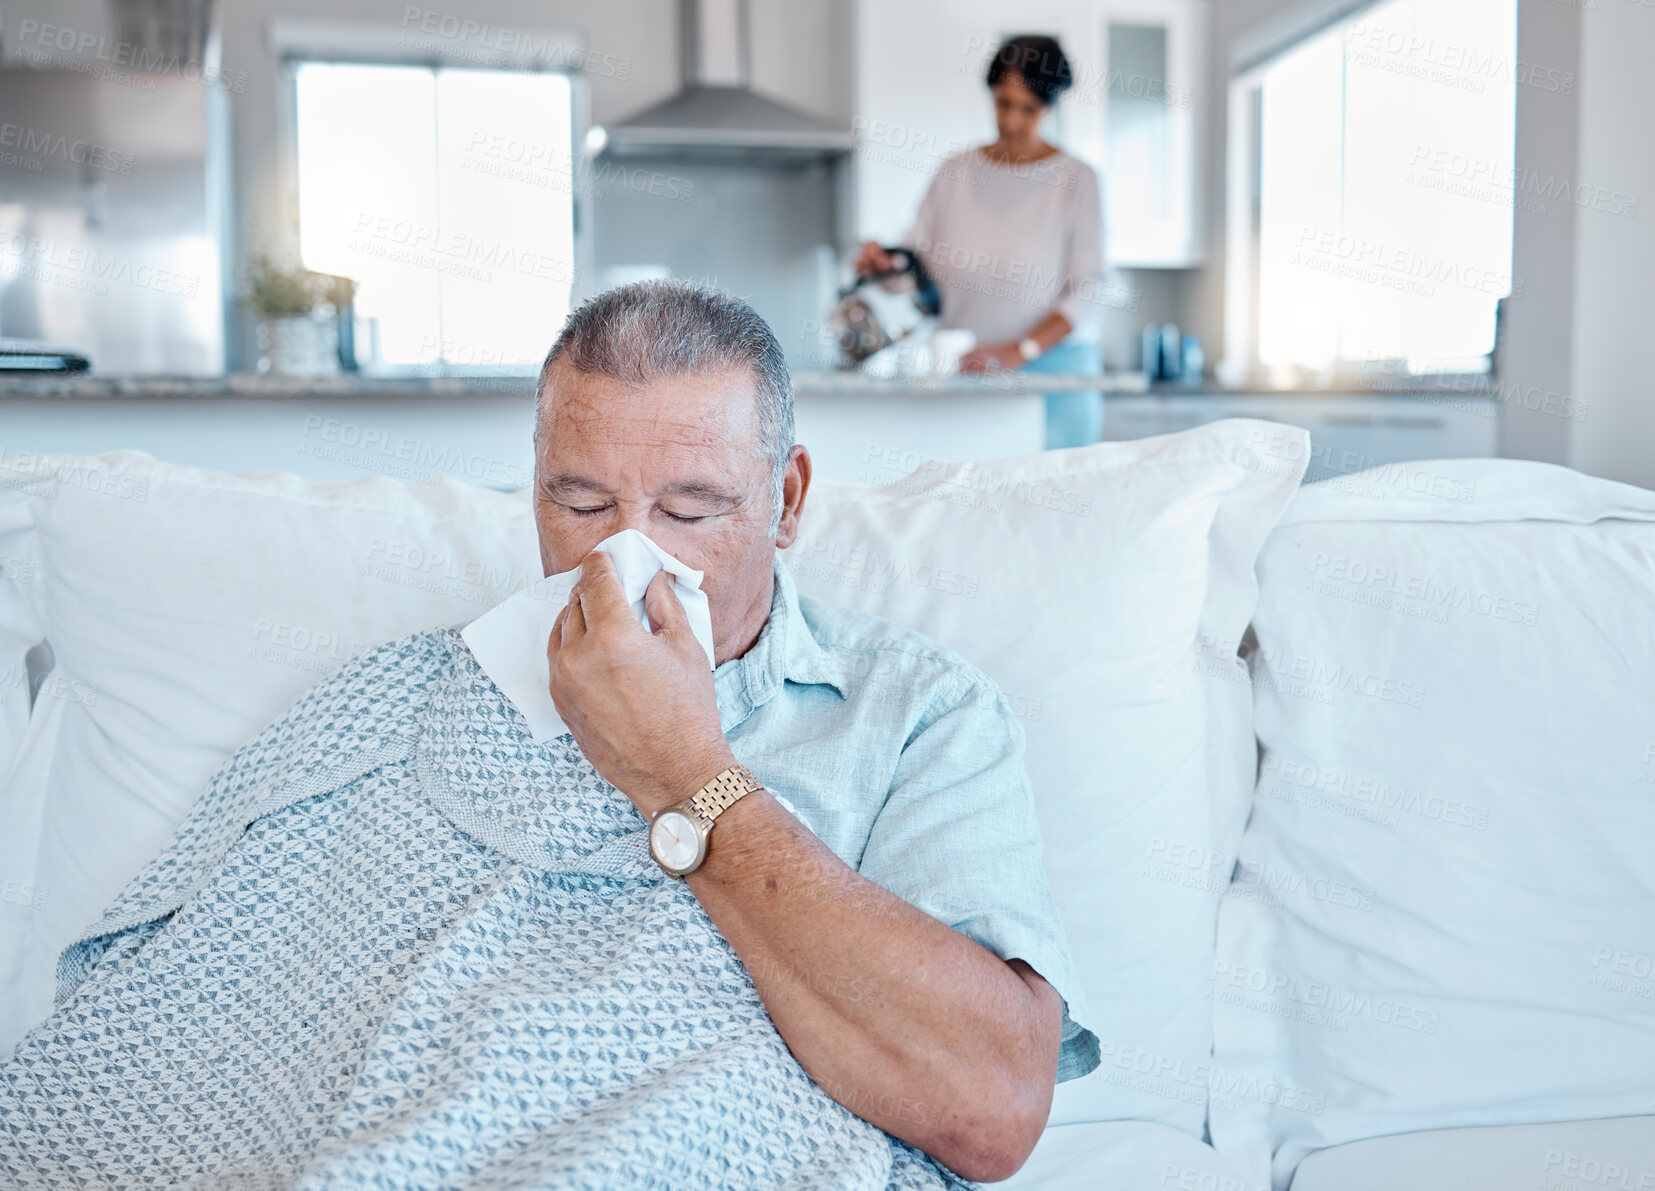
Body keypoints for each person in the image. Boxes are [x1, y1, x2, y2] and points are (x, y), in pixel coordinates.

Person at [0, 280, 1099, 1189]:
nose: (624, 561)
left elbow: (990, 1108)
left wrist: (684, 774)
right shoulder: (402, 696)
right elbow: (179, 1003)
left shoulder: (916, 717)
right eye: (579, 505)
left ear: (787, 498)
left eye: (690, 510)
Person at [856, 35, 1109, 449]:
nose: (1011, 121)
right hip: (966, 373)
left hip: (1054, 376)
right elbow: (915, 258)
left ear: (1051, 105)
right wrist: (886, 263)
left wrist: (1019, 351)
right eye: (1003, 103)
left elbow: (1088, 290)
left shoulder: (1077, 181)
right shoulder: (955, 172)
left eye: (1027, 109)